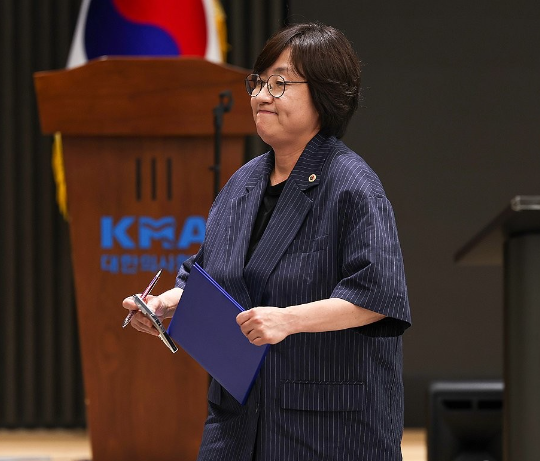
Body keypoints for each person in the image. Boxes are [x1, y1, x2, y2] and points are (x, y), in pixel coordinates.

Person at [122, 22, 411, 461]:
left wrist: (288, 320)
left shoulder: (352, 184)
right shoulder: (243, 182)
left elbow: (379, 296)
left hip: (326, 426)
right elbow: (207, 277)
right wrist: (163, 305)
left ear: (325, 94)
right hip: (237, 421)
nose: (260, 95)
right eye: (258, 83)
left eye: (280, 84)